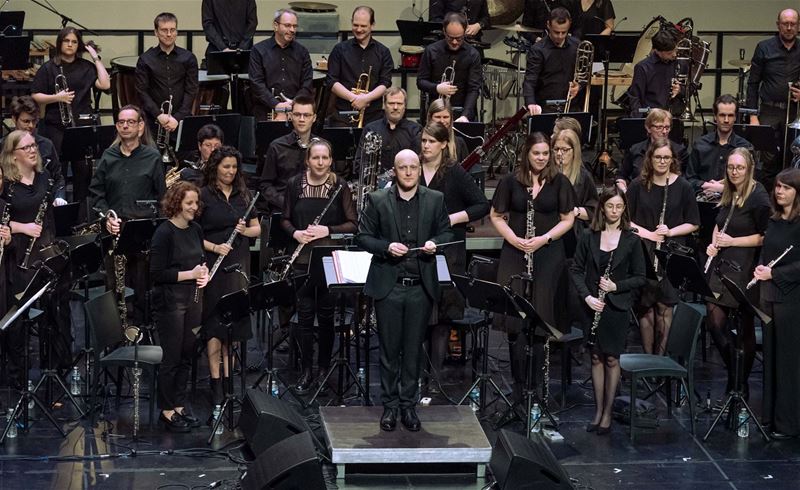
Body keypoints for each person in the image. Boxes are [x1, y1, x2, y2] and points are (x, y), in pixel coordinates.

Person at [356, 149, 453, 432]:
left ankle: (408, 407)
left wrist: (436, 242)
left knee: (412, 351)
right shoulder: (377, 200)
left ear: (420, 169)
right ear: (394, 171)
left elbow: (448, 233)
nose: (409, 172)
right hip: (390, 287)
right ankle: (389, 406)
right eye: (403, 168)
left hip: (420, 287)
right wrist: (385, 247)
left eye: (413, 167)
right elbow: (362, 236)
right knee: (388, 350)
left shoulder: (435, 200)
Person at [490, 132, 575, 401]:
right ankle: (518, 386)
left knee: (540, 322)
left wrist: (543, 238)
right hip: (516, 252)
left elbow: (567, 218)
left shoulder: (559, 182)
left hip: (548, 255)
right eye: (536, 153)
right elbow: (496, 215)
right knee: (516, 321)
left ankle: (535, 388)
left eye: (545, 153)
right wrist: (514, 239)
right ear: (526, 153)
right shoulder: (511, 182)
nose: (541, 158)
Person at [281, 138, 357, 393]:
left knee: (326, 316)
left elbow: (352, 224)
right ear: (307, 161)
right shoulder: (294, 185)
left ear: (331, 160)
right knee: (304, 316)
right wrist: (295, 234)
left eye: (325, 158)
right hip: (302, 259)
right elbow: (285, 219)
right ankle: (305, 371)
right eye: (316, 158)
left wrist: (328, 229)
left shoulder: (340, 185)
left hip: (328, 258)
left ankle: (323, 368)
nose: (321, 162)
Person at [570, 187, 645, 436]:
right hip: (592, 305)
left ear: (624, 209)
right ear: (602, 207)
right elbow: (576, 270)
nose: (614, 211)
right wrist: (588, 297)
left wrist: (616, 286)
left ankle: (608, 413)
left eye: (619, 207)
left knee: (612, 358)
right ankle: (598, 409)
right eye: (610, 206)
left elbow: (640, 277)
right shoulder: (588, 236)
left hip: (616, 308)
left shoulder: (632, 240)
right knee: (595, 357)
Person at [419, 122, 489, 386]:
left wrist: (452, 218)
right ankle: (419, 375)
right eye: (423, 141)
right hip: (421, 251)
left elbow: (482, 204)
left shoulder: (454, 172)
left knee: (443, 317)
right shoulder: (413, 169)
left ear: (443, 144)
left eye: (431, 142)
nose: (425, 146)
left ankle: (435, 378)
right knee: (422, 313)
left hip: (449, 252)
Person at [704, 148, 770, 403]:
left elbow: (765, 236)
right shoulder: (730, 191)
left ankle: (739, 385)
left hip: (745, 266)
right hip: (723, 264)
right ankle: (735, 373)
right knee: (714, 321)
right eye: (731, 167)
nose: (734, 172)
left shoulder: (759, 196)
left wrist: (733, 241)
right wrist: (714, 242)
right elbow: (720, 222)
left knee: (744, 330)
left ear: (749, 168)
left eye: (739, 168)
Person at [89, 105, 166, 323]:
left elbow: (162, 198)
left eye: (131, 122)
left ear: (141, 126)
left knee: (142, 288)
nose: (125, 125)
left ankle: (140, 335)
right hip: (114, 230)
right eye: (121, 122)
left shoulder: (152, 156)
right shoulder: (108, 156)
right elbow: (96, 193)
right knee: (114, 288)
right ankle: (116, 338)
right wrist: (107, 217)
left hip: (141, 231)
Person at [197, 146, 260, 407]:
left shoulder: (244, 196)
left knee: (232, 327)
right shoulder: (202, 196)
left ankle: (229, 381)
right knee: (214, 325)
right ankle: (215, 384)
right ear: (215, 168)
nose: (231, 172)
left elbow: (257, 230)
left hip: (237, 265)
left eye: (234, 167)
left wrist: (243, 231)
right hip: (213, 265)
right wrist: (214, 247)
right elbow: (191, 234)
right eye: (226, 167)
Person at [627, 138, 700, 354]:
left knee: (665, 307)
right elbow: (626, 220)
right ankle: (648, 358)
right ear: (649, 158)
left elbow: (694, 223)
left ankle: (660, 359)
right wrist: (648, 234)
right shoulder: (637, 185)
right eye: (657, 157)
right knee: (645, 308)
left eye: (666, 157)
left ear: (672, 159)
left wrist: (670, 231)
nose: (662, 161)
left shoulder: (683, 186)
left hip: (671, 252)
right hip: (643, 251)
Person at [0, 131, 60, 386]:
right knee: (18, 322)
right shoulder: (7, 186)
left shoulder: (45, 176)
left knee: (51, 315)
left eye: (34, 145)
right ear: (14, 155)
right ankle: (17, 379)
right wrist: (22, 227)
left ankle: (50, 374)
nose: (33, 150)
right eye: (26, 148)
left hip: (45, 253)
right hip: (19, 256)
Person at [150, 182, 208, 432]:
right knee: (171, 357)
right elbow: (157, 273)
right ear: (176, 204)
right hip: (171, 303)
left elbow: (200, 261)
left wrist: (203, 273)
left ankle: (180, 404)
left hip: (193, 300)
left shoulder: (195, 229)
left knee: (188, 354)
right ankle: (166, 409)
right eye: (189, 203)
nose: (194, 208)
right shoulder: (164, 233)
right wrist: (190, 274)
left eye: (196, 203)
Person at [31, 27, 110, 203]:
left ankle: (80, 214)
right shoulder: (49, 68)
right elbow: (36, 95)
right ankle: (58, 209)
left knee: (83, 171)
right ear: (60, 43)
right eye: (66, 41)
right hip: (56, 126)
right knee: (57, 169)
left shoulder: (86, 66)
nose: (70, 45)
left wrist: (95, 57)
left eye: (74, 42)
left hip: (81, 125)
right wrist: (57, 97)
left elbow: (105, 84)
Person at [758, 168, 800, 439]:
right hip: (770, 298)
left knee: (788, 363)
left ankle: (788, 424)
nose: (779, 191)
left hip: (792, 300)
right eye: (777, 186)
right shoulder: (773, 221)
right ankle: (771, 418)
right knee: (771, 360)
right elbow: (768, 251)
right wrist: (762, 268)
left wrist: (775, 274)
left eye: (786, 187)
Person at [747, 9, 800, 189]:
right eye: (785, 23)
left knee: (792, 157)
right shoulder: (764, 47)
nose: (789, 27)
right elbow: (753, 83)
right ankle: (767, 205)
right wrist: (753, 115)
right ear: (778, 25)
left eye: (793, 24)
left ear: (798, 26)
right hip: (768, 111)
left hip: (794, 111)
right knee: (767, 161)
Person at [326, 6, 394, 126]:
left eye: (363, 26)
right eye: (355, 25)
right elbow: (332, 81)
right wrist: (353, 98)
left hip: (373, 115)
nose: (358, 29)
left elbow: (385, 83)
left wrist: (366, 99)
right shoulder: (339, 50)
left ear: (372, 25)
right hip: (343, 114)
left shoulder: (383, 52)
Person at [136, 13, 199, 140]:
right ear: (156, 32)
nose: (169, 34)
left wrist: (177, 117)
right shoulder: (145, 59)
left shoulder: (188, 58)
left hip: (181, 120)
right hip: (153, 120)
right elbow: (141, 91)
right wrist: (158, 115)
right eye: (164, 30)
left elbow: (191, 90)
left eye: (173, 30)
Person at [248, 8, 313, 122]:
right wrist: (276, 105)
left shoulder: (302, 52)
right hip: (266, 111)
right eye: (288, 25)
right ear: (275, 25)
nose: (292, 30)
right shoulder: (258, 50)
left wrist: (293, 104)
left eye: (294, 26)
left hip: (296, 112)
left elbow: (307, 83)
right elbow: (256, 83)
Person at [258, 95, 319, 214]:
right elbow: (265, 185)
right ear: (290, 116)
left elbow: (331, 181)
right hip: (282, 210)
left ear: (314, 118)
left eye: (306, 115)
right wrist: (285, 203)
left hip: (314, 210)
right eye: (297, 115)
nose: (302, 119)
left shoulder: (322, 147)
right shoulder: (276, 146)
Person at [417, 13, 482, 122]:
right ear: (444, 31)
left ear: (465, 32)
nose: (455, 42)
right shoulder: (431, 51)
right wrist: (437, 88)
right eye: (450, 38)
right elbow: (420, 81)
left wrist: (465, 115)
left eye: (459, 38)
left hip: (462, 112)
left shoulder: (473, 54)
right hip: (436, 113)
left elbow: (473, 89)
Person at [3, 96, 66, 205]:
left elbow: (57, 177)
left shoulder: (46, 145)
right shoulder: (3, 145)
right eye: (26, 121)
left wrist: (59, 197)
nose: (31, 126)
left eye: (34, 121)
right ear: (14, 119)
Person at [687, 95, 754, 196]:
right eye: (722, 115)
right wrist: (707, 185)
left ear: (735, 117)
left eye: (730, 115)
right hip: (703, 202)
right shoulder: (700, 145)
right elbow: (689, 179)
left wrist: (723, 188)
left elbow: (752, 182)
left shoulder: (745, 147)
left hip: (735, 204)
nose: (726, 120)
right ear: (715, 116)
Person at [524, 8, 581, 115]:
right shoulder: (538, 49)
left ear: (569, 26)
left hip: (571, 107)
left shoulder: (577, 46)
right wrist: (530, 103)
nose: (560, 36)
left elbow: (583, 76)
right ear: (548, 25)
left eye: (564, 32)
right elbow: (530, 80)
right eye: (556, 32)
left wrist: (579, 86)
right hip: (546, 107)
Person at [615, 108, 689, 191]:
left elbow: (686, 179)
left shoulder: (680, 151)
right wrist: (623, 187)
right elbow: (621, 175)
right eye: (659, 127)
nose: (664, 131)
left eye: (667, 127)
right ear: (648, 128)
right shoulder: (635, 150)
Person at [354, 87, 422, 175]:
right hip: (377, 185)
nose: (395, 107)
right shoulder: (371, 129)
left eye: (399, 103)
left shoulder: (415, 129)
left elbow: (418, 162)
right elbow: (359, 163)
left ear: (405, 106)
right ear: (384, 105)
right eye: (391, 103)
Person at [627, 28, 682, 118]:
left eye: (675, 50)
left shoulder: (677, 63)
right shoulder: (643, 67)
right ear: (657, 51)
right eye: (669, 53)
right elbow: (635, 98)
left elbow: (689, 88)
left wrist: (680, 90)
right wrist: (637, 120)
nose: (674, 55)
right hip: (651, 117)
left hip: (674, 116)